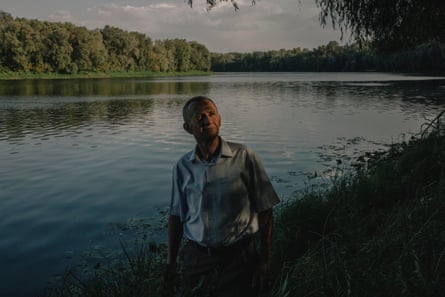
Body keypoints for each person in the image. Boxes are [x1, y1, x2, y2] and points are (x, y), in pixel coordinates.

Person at [166, 96, 280, 297]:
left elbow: (266, 210)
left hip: (239, 258)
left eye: (211, 114)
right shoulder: (183, 166)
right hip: (197, 259)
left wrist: (264, 261)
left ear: (219, 119)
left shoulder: (244, 156)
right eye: (199, 116)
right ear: (187, 127)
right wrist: (171, 263)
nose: (207, 119)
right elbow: (176, 216)